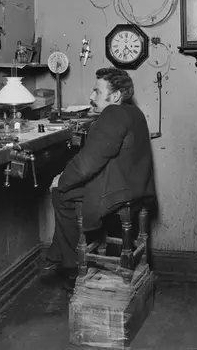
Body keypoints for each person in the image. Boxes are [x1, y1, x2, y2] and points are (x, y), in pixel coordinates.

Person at [41, 67, 156, 290]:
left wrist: (61, 180)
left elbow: (88, 163)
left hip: (120, 192)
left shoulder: (113, 114)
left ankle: (72, 267)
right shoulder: (134, 112)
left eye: (97, 92)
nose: (91, 96)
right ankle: (58, 253)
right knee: (70, 184)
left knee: (60, 193)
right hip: (138, 187)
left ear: (115, 96)